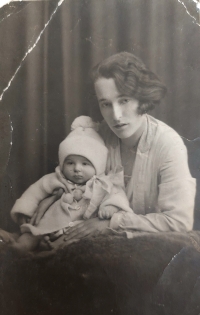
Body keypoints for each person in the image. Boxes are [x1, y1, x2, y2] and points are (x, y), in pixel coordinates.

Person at [52, 51, 195, 246]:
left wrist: (113, 223)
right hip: (98, 246)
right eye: (106, 104)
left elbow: (179, 222)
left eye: (124, 100)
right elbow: (67, 186)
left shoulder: (169, 144)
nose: (116, 115)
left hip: (153, 250)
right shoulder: (96, 136)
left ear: (141, 99)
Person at [8, 116, 131, 252]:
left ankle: (49, 250)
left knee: (74, 243)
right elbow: (35, 192)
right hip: (49, 224)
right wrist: (24, 210)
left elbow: (117, 195)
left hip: (78, 229)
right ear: (62, 164)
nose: (77, 168)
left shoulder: (103, 183)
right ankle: (19, 248)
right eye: (70, 163)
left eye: (85, 163)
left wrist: (111, 207)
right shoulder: (55, 178)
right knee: (30, 234)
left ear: (99, 166)